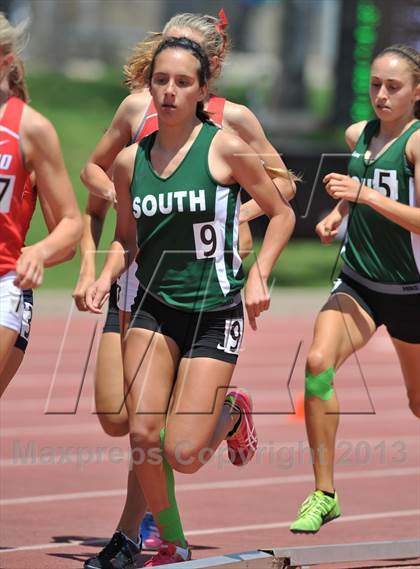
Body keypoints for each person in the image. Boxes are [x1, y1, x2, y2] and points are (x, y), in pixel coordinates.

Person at [77, 12, 297, 569]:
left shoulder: (224, 146)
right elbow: (128, 237)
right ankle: (170, 545)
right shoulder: (130, 161)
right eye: (162, 81)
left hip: (212, 309)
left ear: (204, 89)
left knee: (183, 452)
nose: (170, 91)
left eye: (183, 82)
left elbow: (282, 208)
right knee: (142, 432)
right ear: (149, 84)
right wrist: (102, 274)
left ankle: (228, 414)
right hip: (152, 305)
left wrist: (259, 270)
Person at [290, 44, 420, 534]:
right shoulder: (359, 135)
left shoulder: (416, 144)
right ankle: (324, 493)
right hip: (359, 283)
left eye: (394, 87)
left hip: (412, 291)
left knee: (417, 402)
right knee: (318, 364)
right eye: (375, 86)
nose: (382, 96)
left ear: (416, 92)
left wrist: (362, 195)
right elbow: (361, 182)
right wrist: (339, 214)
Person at [0, 13, 82, 393]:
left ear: (5, 58)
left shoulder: (30, 129)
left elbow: (70, 223)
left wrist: (37, 253)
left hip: (5, 283)